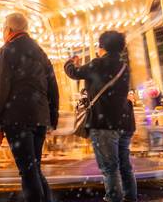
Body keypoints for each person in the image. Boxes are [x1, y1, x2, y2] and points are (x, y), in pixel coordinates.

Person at [0, 13, 59, 202]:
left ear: (9, 30)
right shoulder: (40, 52)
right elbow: (53, 86)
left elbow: (0, 89)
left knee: (28, 172)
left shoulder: (7, 51)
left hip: (17, 118)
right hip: (40, 117)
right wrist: (52, 116)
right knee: (34, 168)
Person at [64, 31, 137, 202]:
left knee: (109, 168)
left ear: (102, 47)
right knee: (125, 165)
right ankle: (130, 197)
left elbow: (74, 73)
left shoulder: (97, 64)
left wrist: (69, 62)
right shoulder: (124, 66)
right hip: (125, 121)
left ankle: (113, 198)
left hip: (104, 122)